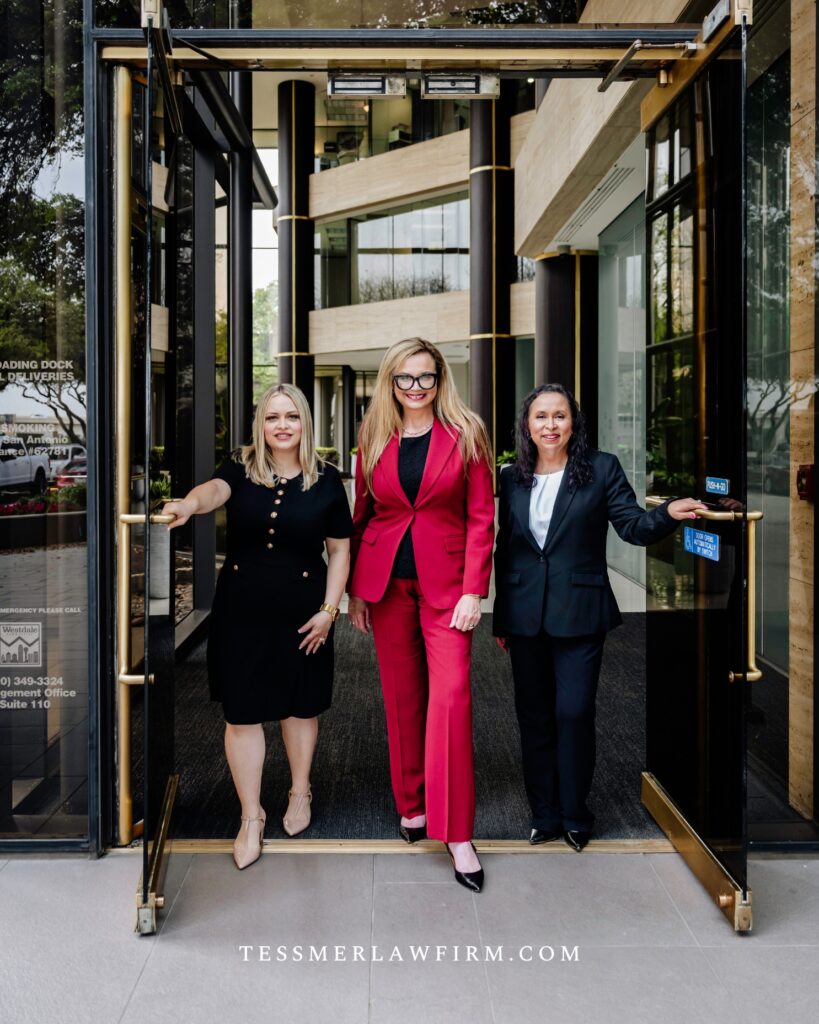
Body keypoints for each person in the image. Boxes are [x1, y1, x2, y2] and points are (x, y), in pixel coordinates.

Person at [493, 383, 705, 852]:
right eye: (541, 417)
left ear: (574, 423)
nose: (550, 425)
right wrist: (501, 619)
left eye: (560, 416)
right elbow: (505, 549)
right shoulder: (512, 476)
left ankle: (575, 813)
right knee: (534, 717)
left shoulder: (600, 468)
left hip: (581, 612)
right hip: (524, 614)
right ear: (527, 426)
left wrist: (668, 511)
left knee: (573, 712)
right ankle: (544, 814)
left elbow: (632, 526)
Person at [163, 384, 352, 869]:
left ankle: (300, 790)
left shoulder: (328, 480)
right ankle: (251, 816)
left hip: (304, 614)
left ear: (305, 423)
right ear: (260, 425)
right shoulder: (240, 468)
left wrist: (330, 612)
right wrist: (188, 503)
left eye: (291, 416)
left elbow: (340, 552)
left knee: (299, 706)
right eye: (272, 418)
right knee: (242, 714)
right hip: (241, 612)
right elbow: (213, 493)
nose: (282, 425)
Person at [347, 338, 495, 892]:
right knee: (402, 696)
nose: (415, 389)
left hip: (447, 588)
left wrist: (473, 590)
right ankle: (412, 805)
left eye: (425, 378)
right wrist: (358, 591)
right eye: (405, 379)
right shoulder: (373, 436)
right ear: (390, 381)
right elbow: (363, 516)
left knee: (451, 696)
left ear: (440, 379)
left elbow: (482, 517)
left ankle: (457, 833)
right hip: (385, 586)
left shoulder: (467, 434)